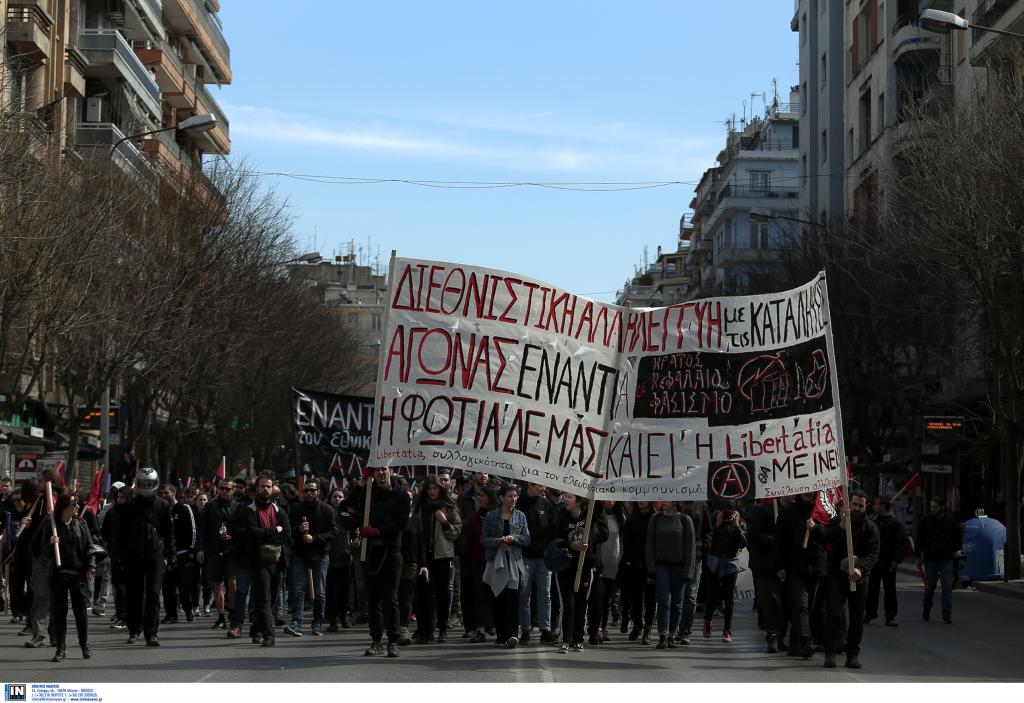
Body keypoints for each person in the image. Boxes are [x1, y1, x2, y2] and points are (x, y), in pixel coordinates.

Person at [343, 466, 411, 658]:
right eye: (377, 470)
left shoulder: (401, 496)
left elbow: (401, 523)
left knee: (391, 598)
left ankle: (393, 641)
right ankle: (376, 640)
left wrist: (378, 531)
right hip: (371, 551)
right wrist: (360, 485)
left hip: (391, 551)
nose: (381, 473)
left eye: (384, 469)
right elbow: (348, 508)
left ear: (390, 472)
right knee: (373, 599)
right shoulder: (367, 495)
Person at [116, 467, 174, 646]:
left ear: (155, 483)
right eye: (144, 483)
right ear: (138, 484)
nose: (147, 486)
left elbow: (169, 533)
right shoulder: (129, 506)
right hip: (133, 556)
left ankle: (151, 633)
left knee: (154, 594)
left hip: (154, 555)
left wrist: (170, 556)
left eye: (150, 483)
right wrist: (120, 556)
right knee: (134, 594)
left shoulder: (162, 505)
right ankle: (134, 629)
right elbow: (120, 535)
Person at [823, 490, 879, 669]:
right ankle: (830, 652)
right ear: (849, 504)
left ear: (865, 507)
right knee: (834, 613)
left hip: (859, 577)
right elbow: (827, 540)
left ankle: (852, 654)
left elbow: (873, 553)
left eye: (860, 506)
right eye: (854, 504)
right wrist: (840, 526)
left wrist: (860, 568)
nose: (856, 508)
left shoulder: (871, 528)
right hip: (837, 575)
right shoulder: (837, 522)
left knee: (856, 618)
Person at [232, 472, 289, 646]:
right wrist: (274, 531)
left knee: (270, 598)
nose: (266, 489)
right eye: (263, 486)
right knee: (263, 596)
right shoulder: (249, 510)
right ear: (256, 489)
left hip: (277, 561)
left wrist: (272, 534)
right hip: (257, 560)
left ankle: (256, 628)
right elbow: (252, 532)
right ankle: (269, 634)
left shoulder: (279, 510)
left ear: (273, 489)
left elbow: (286, 533)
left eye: (269, 486)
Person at [775, 491, 827, 658]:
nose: (808, 493)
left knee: (807, 608)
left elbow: (831, 535)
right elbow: (780, 541)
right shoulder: (788, 512)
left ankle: (793, 644)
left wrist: (816, 527)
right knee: (801, 605)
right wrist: (780, 565)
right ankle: (805, 641)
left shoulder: (822, 511)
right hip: (795, 567)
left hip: (816, 567)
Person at [554, 493, 607, 653]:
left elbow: (598, 505)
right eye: (565, 497)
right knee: (568, 605)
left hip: (585, 567)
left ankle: (578, 639)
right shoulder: (561, 516)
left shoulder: (589, 515)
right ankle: (565, 639)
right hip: (565, 568)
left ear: (579, 501)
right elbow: (556, 539)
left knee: (581, 604)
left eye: (570, 497)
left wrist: (589, 488)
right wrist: (571, 545)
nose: (565, 499)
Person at [410, 476, 461, 644]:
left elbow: (455, 534)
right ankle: (424, 629)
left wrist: (445, 522)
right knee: (422, 593)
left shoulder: (448, 507)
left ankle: (443, 628)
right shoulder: (419, 507)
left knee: (442, 593)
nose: (432, 492)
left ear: (441, 490)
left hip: (442, 556)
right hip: (423, 556)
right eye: (430, 488)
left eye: (435, 488)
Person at [284, 479, 337, 638]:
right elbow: (289, 531)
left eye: (312, 490)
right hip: (301, 554)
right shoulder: (297, 509)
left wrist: (315, 538)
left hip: (320, 555)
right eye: (306, 490)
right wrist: (298, 529)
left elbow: (333, 532)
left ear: (318, 492)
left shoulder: (327, 510)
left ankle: (317, 622)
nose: (308, 493)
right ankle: (296, 622)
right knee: (299, 589)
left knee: (320, 592)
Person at [47, 492, 96, 662]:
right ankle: (61, 648)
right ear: (64, 506)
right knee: (60, 613)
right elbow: (36, 551)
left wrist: (90, 566)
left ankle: (84, 644)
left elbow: (90, 547)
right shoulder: (51, 525)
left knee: (80, 612)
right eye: (73, 504)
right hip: (58, 574)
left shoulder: (80, 524)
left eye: (77, 504)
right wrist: (50, 543)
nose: (77, 507)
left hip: (78, 574)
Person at [481, 483, 530, 648]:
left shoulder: (521, 516)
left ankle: (512, 634)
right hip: (497, 560)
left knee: (513, 598)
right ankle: (501, 634)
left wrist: (513, 538)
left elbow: (527, 538)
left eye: (515, 496)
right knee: (499, 597)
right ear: (501, 498)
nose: (513, 499)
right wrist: (498, 541)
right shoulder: (491, 516)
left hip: (514, 560)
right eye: (510, 496)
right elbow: (484, 539)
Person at [18, 470, 62, 649]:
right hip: (39, 555)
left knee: (55, 597)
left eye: (41, 480)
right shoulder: (39, 500)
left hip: (56, 554)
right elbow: (33, 526)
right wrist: (26, 523)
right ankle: (40, 635)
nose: (38, 483)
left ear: (50, 481)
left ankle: (55, 635)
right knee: (40, 595)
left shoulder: (59, 499)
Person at [645, 501, 696, 649]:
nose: (663, 502)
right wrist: (651, 567)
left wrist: (688, 571)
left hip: (679, 567)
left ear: (675, 502)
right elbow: (649, 544)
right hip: (661, 566)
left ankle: (672, 635)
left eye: (666, 499)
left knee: (677, 603)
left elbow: (690, 547)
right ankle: (663, 634)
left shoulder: (685, 520)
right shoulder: (656, 518)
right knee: (663, 600)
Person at [516, 481, 557, 644]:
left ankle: (545, 630)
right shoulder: (519, 504)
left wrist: (550, 550)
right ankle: (525, 630)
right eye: (539, 485)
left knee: (545, 595)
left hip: (543, 559)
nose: (543, 488)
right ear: (530, 486)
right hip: (525, 557)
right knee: (524, 595)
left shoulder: (546, 504)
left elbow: (554, 527)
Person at [745, 498, 788, 652]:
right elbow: (752, 535)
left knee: (785, 603)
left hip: (787, 566)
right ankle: (772, 635)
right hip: (766, 565)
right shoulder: (763, 511)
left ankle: (782, 636)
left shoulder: (794, 512)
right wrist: (771, 540)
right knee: (771, 602)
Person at [703, 502, 747, 642]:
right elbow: (708, 540)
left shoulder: (738, 524)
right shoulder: (715, 520)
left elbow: (742, 544)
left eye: (730, 512)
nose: (728, 516)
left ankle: (727, 630)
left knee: (729, 598)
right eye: (726, 512)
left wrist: (737, 526)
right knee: (712, 595)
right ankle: (707, 621)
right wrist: (716, 525)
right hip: (714, 562)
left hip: (730, 564)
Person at [196, 479, 236, 632]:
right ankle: (220, 616)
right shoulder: (211, 506)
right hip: (213, 551)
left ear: (233, 490)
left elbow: (243, 528)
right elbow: (201, 529)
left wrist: (233, 536)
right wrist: (200, 549)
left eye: (227, 489)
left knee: (233, 584)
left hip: (232, 551)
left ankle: (232, 611)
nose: (224, 491)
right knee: (217, 584)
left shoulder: (237, 506)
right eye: (221, 488)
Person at [916, 496, 962, 624]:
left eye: (935, 507)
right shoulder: (926, 520)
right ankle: (926, 607)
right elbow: (920, 538)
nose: (933, 509)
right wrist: (918, 556)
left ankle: (947, 614)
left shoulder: (950, 521)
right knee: (929, 588)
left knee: (947, 586)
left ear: (942, 507)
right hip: (930, 559)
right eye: (931, 507)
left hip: (947, 559)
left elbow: (957, 539)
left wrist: (959, 554)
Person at [460, 487, 496, 643]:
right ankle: (480, 629)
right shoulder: (477, 517)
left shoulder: (498, 515)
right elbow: (470, 541)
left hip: (496, 562)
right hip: (478, 563)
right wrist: (465, 562)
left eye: (482, 496)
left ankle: (494, 624)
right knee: (480, 596)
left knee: (495, 595)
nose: (480, 498)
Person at [158, 484, 197, 624]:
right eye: (162, 492)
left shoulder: (184, 508)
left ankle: (189, 610)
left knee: (183, 586)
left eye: (166, 492)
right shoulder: (162, 510)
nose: (164, 495)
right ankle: (171, 614)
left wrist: (190, 550)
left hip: (183, 553)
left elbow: (192, 530)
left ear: (173, 493)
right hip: (166, 555)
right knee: (167, 587)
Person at [866, 497, 905, 627]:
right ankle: (870, 613)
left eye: (876, 504)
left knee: (890, 590)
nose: (874, 506)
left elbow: (899, 544)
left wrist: (895, 560)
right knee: (872, 589)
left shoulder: (895, 523)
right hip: (875, 561)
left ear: (883, 506)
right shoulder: (873, 521)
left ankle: (891, 615)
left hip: (888, 562)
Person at [677, 500, 712, 644]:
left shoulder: (701, 503)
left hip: (695, 555)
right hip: (675, 554)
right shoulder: (674, 498)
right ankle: (671, 629)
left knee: (690, 594)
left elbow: (708, 530)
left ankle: (684, 630)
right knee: (676, 592)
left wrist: (704, 547)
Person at [593, 500, 625, 644]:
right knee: (597, 597)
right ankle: (595, 628)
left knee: (606, 598)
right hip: (598, 561)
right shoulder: (596, 515)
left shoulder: (621, 517)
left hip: (614, 562)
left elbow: (622, 540)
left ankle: (603, 627)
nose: (609, 501)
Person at [99, 484, 130, 630]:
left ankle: (128, 616)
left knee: (129, 589)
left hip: (131, 556)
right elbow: (104, 532)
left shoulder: (133, 512)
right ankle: (121, 615)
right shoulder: (112, 513)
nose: (120, 500)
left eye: (123, 497)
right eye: (118, 497)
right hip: (116, 555)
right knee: (118, 587)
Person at [325, 487, 356, 631]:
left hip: (345, 558)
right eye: (335, 496)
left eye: (340, 497)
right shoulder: (326, 513)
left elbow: (357, 535)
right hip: (328, 558)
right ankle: (332, 620)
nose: (337, 499)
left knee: (345, 590)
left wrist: (350, 549)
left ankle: (344, 616)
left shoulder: (349, 514)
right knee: (331, 590)